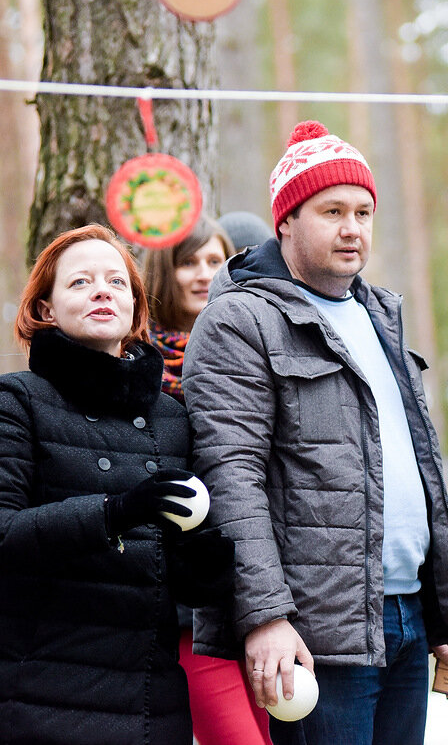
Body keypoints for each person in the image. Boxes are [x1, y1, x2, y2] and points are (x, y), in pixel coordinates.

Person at [183, 120, 448, 745]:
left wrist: (443, 608)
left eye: (364, 211)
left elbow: (417, 469)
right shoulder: (239, 320)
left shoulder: (381, 314)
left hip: (403, 617)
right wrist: (265, 616)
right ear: (287, 219)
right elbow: (230, 478)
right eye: (332, 211)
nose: (353, 228)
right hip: (315, 636)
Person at [0, 224, 232, 744]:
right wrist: (118, 510)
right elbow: (4, 537)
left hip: (152, 708)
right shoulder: (14, 402)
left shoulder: (173, 418)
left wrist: (203, 549)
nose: (102, 290)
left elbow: (194, 592)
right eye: (80, 282)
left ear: (134, 309)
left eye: (116, 282)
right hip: (38, 701)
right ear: (45, 310)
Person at [143, 216, 273, 745]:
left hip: (261, 592)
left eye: (214, 261)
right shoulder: (139, 368)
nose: (202, 274)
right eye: (187, 262)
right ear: (163, 274)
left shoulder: (251, 353)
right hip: (188, 605)